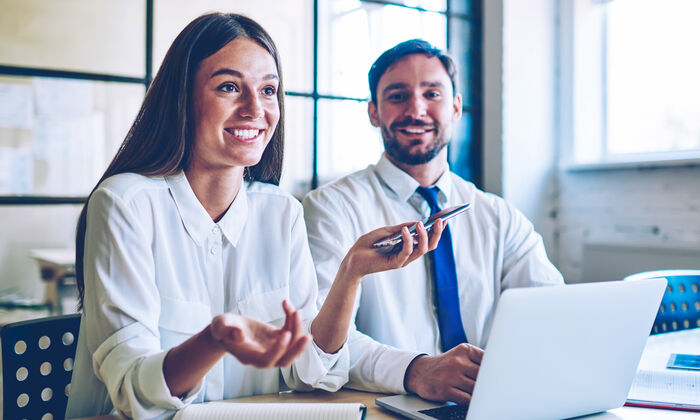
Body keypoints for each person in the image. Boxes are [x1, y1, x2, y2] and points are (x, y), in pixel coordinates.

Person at [66, 16, 443, 419]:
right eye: (229, 87)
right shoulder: (126, 204)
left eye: (268, 90)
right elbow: (133, 393)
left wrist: (350, 274)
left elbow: (311, 371)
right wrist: (215, 340)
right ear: (182, 98)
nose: (255, 109)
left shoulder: (281, 212)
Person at [302, 39, 564, 404]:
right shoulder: (330, 209)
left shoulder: (500, 217)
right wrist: (415, 370)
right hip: (384, 407)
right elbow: (318, 342)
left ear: (455, 108)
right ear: (373, 112)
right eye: (397, 96)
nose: (417, 109)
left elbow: (551, 313)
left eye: (432, 93)